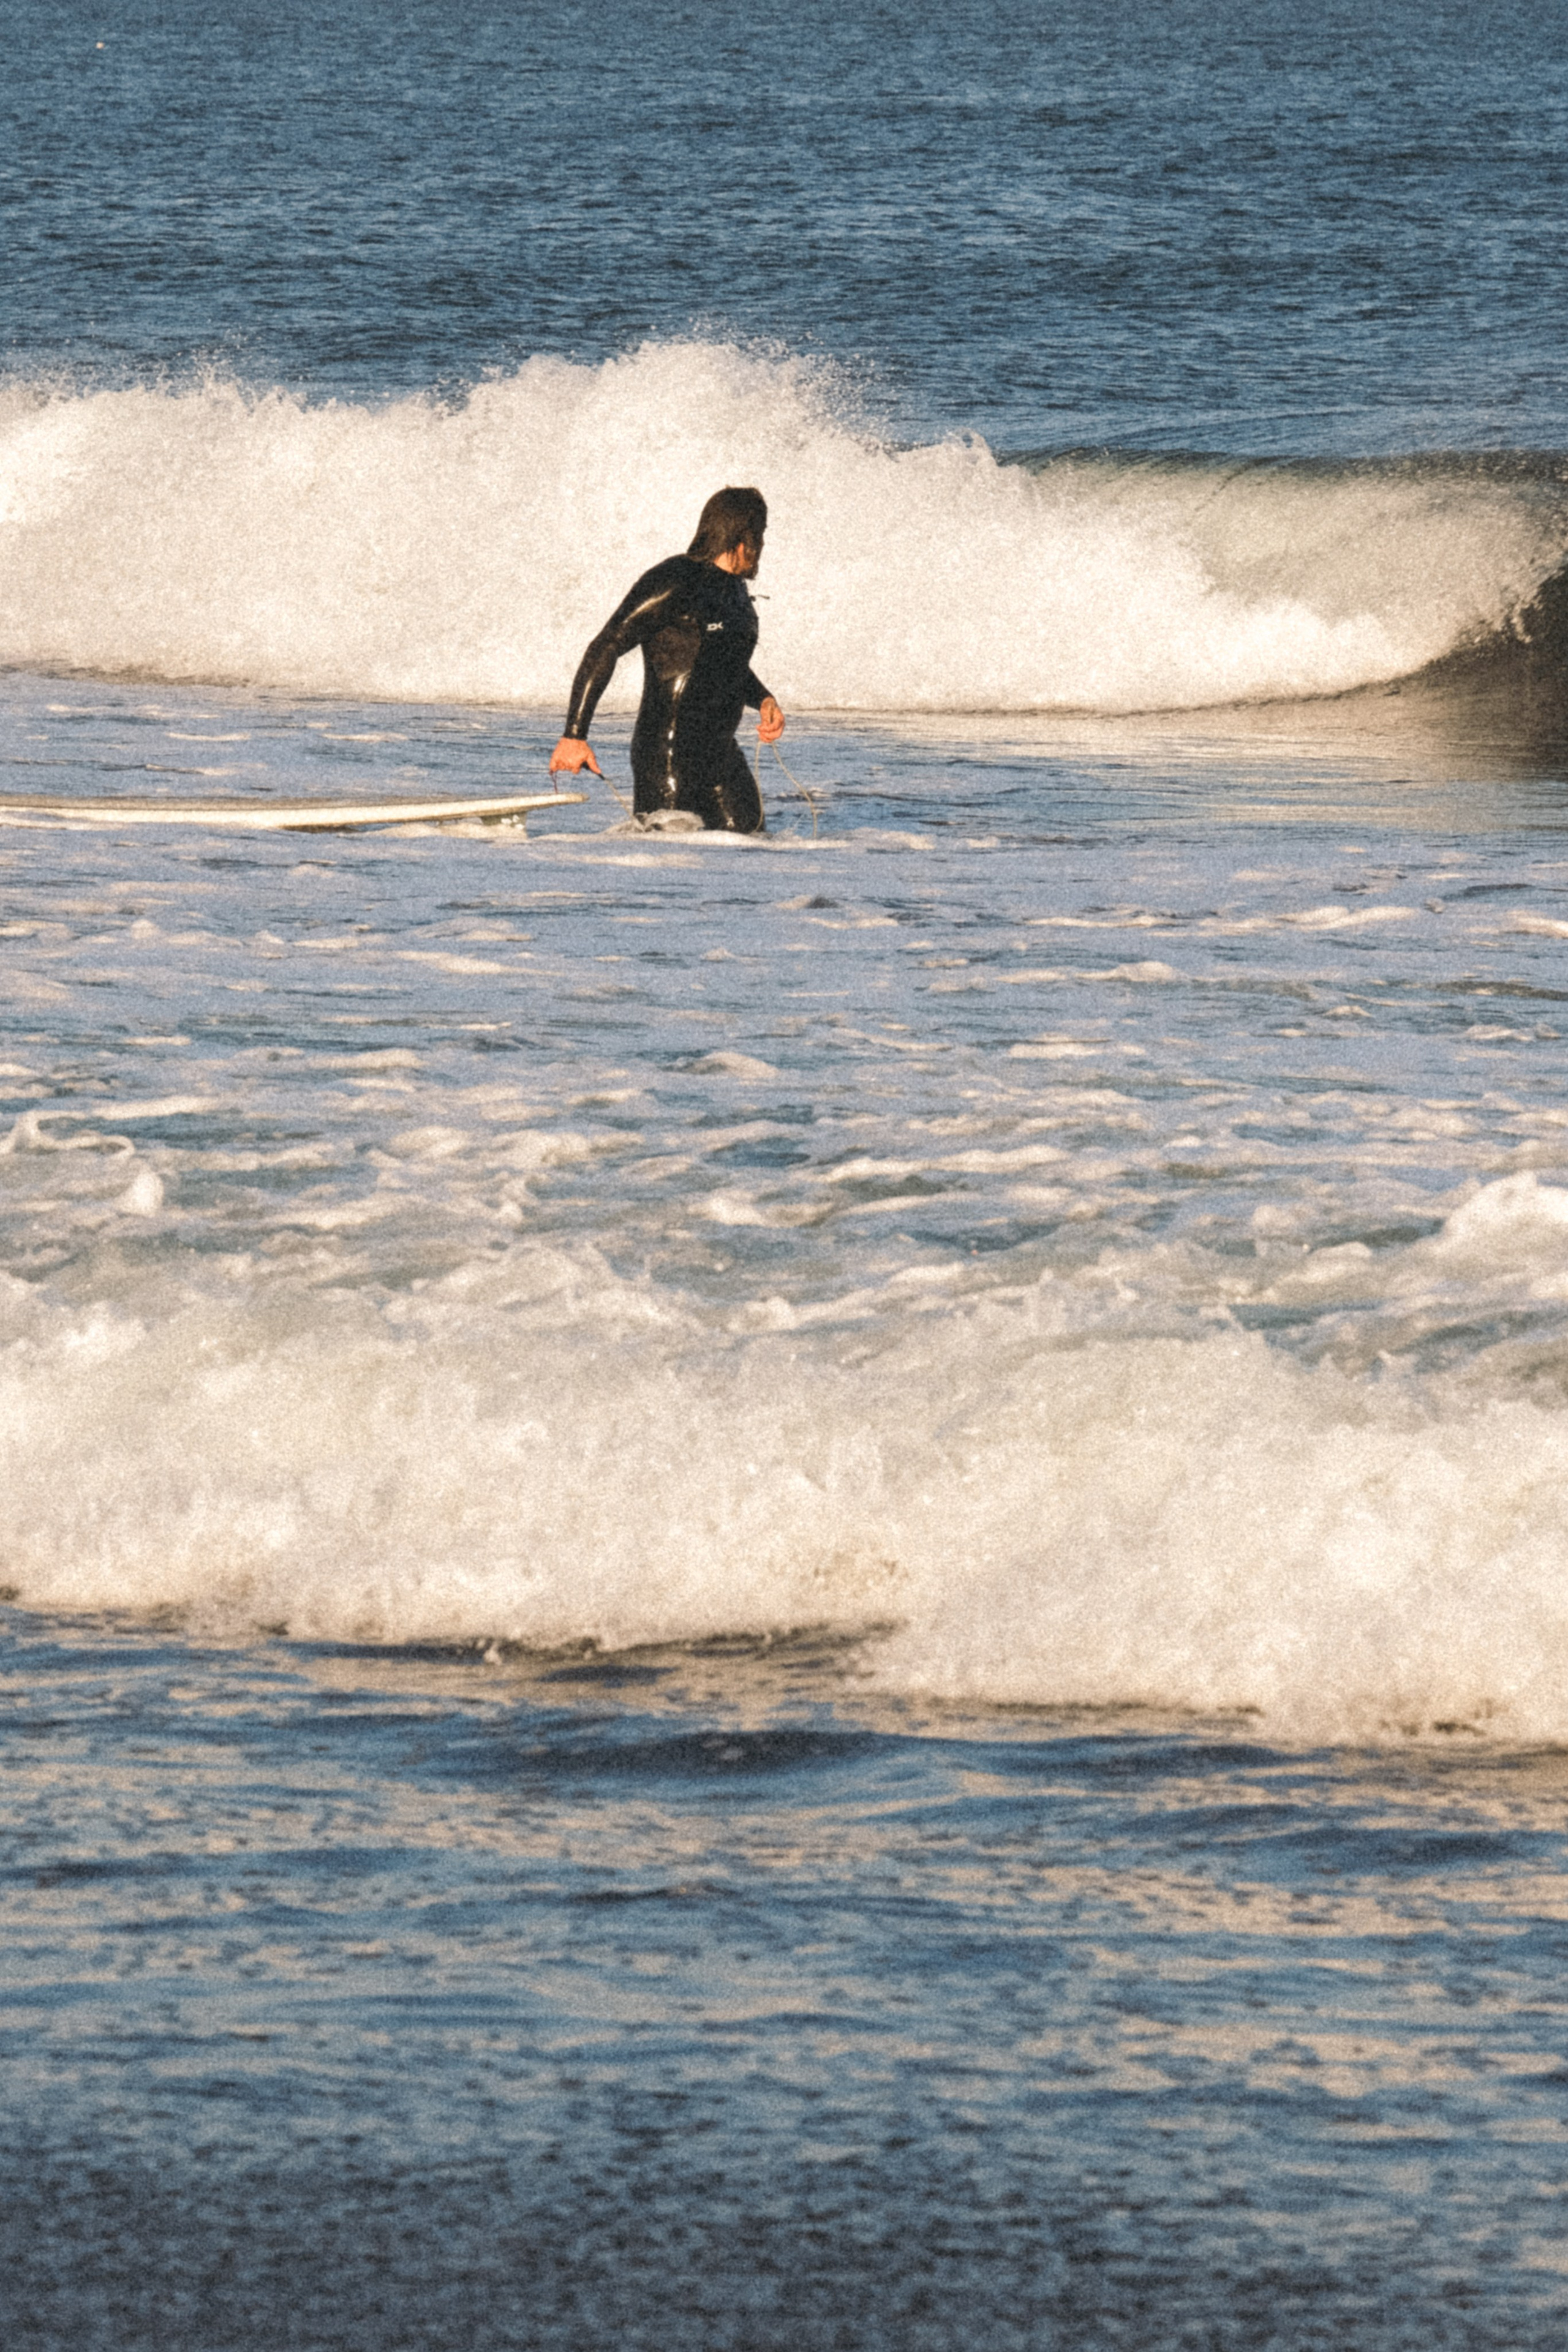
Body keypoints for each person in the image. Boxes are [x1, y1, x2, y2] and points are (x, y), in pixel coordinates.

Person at [549, 486, 786, 832]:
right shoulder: (676, 579)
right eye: (760, 536)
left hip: (721, 756)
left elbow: (722, 662)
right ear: (744, 536)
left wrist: (763, 698)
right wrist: (574, 734)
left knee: (752, 847)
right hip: (668, 758)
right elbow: (608, 644)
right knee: (673, 869)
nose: (762, 548)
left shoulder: (735, 591)